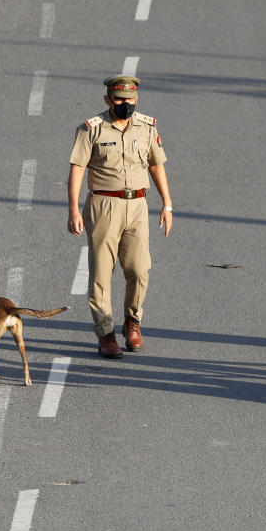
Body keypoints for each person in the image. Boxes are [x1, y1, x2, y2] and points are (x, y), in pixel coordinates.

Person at [67, 75, 174, 358]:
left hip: (137, 204)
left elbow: (156, 164)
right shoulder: (92, 129)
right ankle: (105, 334)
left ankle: (132, 322)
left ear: (136, 99)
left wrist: (167, 204)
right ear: (107, 100)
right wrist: (74, 210)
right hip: (104, 205)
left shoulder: (147, 127)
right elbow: (77, 169)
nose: (124, 104)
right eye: (118, 99)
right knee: (102, 272)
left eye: (129, 100)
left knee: (139, 269)